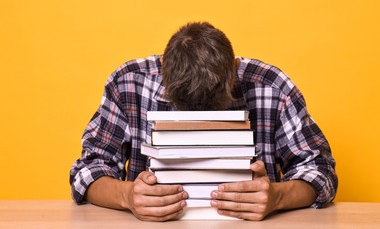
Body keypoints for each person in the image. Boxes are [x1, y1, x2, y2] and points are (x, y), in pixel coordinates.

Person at [70, 22, 338, 221]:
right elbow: (88, 169)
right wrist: (127, 196)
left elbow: (320, 170)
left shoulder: (272, 87)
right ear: (162, 69)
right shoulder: (128, 82)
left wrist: (278, 197)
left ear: (234, 71)